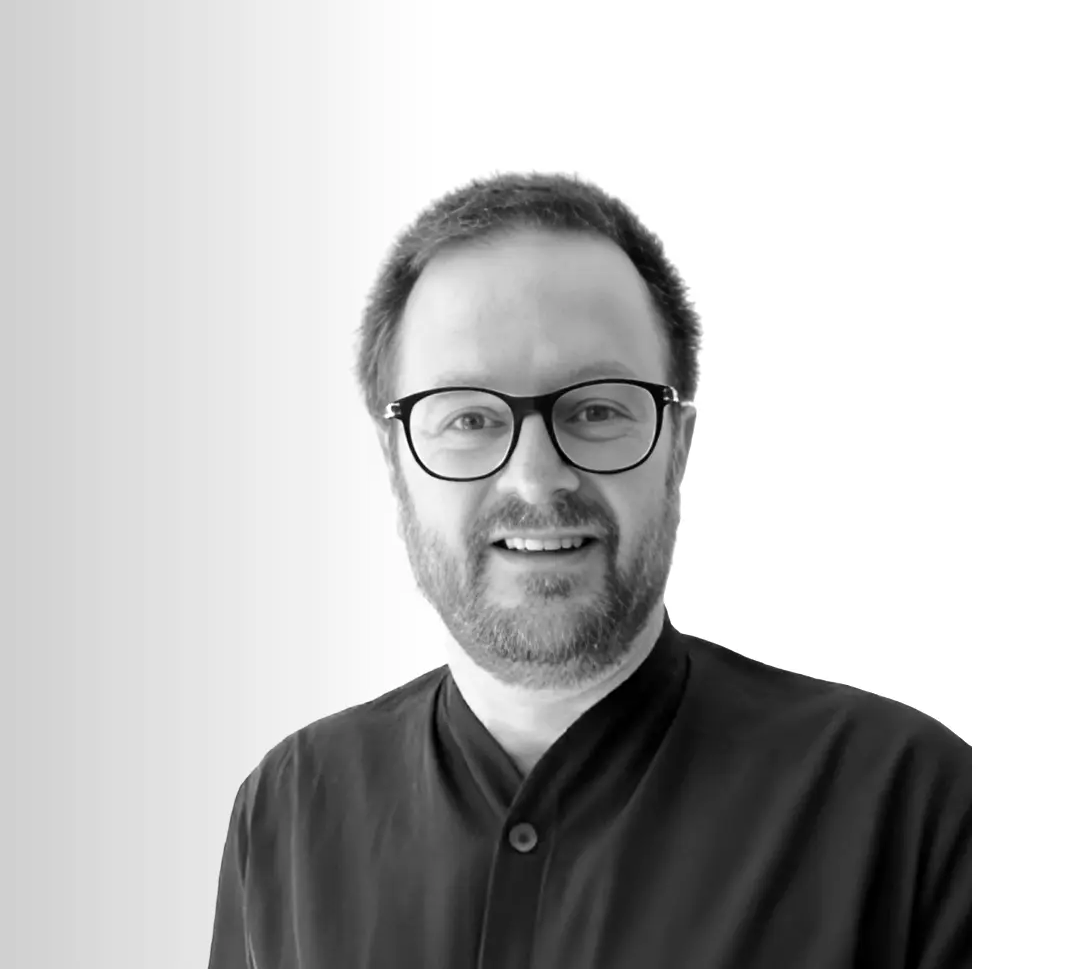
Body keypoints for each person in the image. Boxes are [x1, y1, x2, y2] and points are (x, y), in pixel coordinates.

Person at [207, 172, 971, 968]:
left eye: (597, 409)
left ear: (677, 448)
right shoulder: (286, 809)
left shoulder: (914, 807)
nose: (537, 479)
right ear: (394, 460)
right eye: (469, 417)